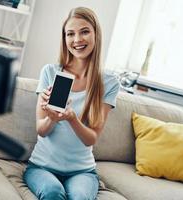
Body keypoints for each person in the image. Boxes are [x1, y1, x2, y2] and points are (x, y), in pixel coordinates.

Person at [23, 7, 120, 200]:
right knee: (52, 192)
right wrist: (51, 118)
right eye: (70, 34)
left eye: (84, 31)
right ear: (64, 38)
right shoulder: (51, 72)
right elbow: (41, 130)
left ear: (96, 34)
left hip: (82, 171)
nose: (77, 40)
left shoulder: (109, 82)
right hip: (41, 167)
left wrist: (71, 118)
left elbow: (91, 138)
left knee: (80, 197)